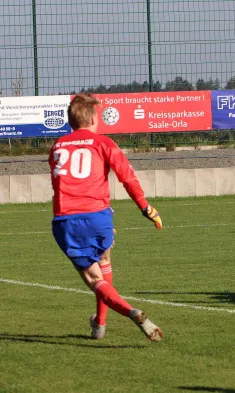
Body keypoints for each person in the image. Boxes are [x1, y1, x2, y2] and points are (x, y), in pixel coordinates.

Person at [49, 93, 164, 341]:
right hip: (100, 218)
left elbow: (57, 183)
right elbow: (127, 177)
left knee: (93, 278)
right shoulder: (104, 143)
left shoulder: (58, 146)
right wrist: (146, 208)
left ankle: (129, 311)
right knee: (104, 263)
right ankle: (99, 324)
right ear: (92, 119)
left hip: (67, 220)